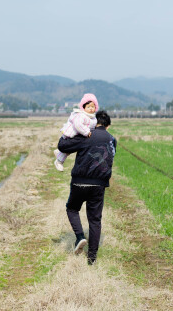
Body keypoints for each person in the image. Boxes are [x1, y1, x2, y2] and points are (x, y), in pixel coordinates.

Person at [57, 110, 117, 265]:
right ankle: (92, 258)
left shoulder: (86, 135)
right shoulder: (112, 139)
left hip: (79, 182)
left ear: (93, 122)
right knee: (95, 220)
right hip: (99, 185)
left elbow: (62, 146)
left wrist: (69, 130)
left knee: (72, 208)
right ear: (108, 125)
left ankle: (80, 236)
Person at [54, 93, 98, 171]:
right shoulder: (81, 115)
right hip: (70, 136)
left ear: (96, 107)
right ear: (83, 108)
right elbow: (78, 125)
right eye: (88, 107)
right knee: (75, 146)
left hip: (78, 136)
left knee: (74, 147)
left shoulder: (93, 118)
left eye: (92, 106)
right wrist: (87, 132)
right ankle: (59, 161)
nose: (91, 108)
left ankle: (59, 154)